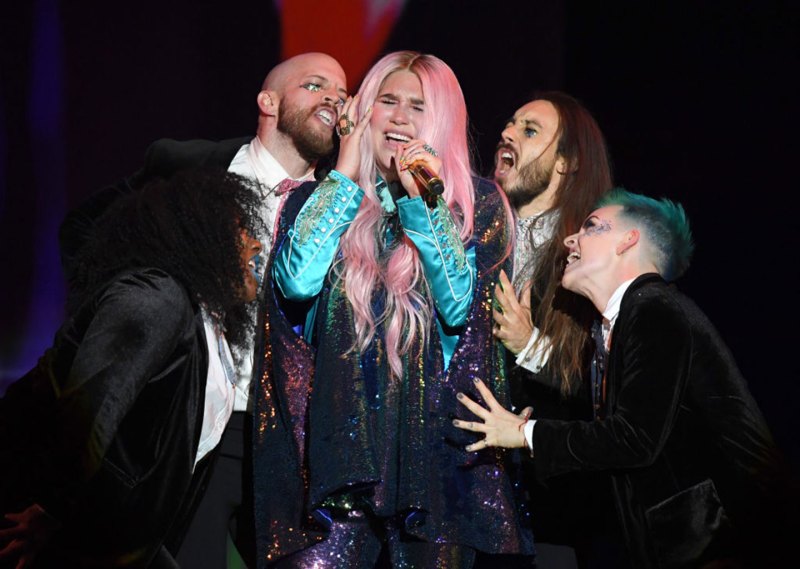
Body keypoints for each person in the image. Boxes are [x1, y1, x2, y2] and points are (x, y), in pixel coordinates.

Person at [57, 51, 348, 567]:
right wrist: (147, 308)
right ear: (268, 101)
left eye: (342, 95)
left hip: (290, 440)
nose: (333, 99)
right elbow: (83, 232)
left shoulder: (343, 202)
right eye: (315, 85)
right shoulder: (187, 165)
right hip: (197, 421)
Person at [259, 50, 533, 567]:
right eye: (388, 101)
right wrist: (344, 178)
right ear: (364, 111)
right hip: (336, 464)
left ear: (442, 120)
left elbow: (459, 306)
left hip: (434, 468)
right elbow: (295, 284)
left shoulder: (477, 206)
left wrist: (422, 202)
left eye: (418, 106)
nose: (401, 117)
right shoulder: (318, 199)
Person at [454, 188, 796, 567]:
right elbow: (596, 400)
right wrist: (530, 346)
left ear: (627, 241)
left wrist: (524, 433)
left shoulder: (655, 310)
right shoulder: (622, 323)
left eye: (591, 226)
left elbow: (635, 437)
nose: (570, 240)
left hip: (733, 544)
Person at [0, 169, 264, 567]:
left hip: (110, 534)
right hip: (40, 521)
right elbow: (89, 409)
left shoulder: (204, 320)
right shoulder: (156, 297)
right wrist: (51, 508)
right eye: (241, 229)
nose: (255, 243)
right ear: (201, 235)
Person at [490, 92, 616, 567]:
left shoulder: (589, 258)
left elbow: (604, 389)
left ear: (566, 163)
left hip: (548, 510)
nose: (507, 134)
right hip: (464, 498)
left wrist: (530, 345)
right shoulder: (473, 234)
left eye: (529, 130)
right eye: (510, 124)